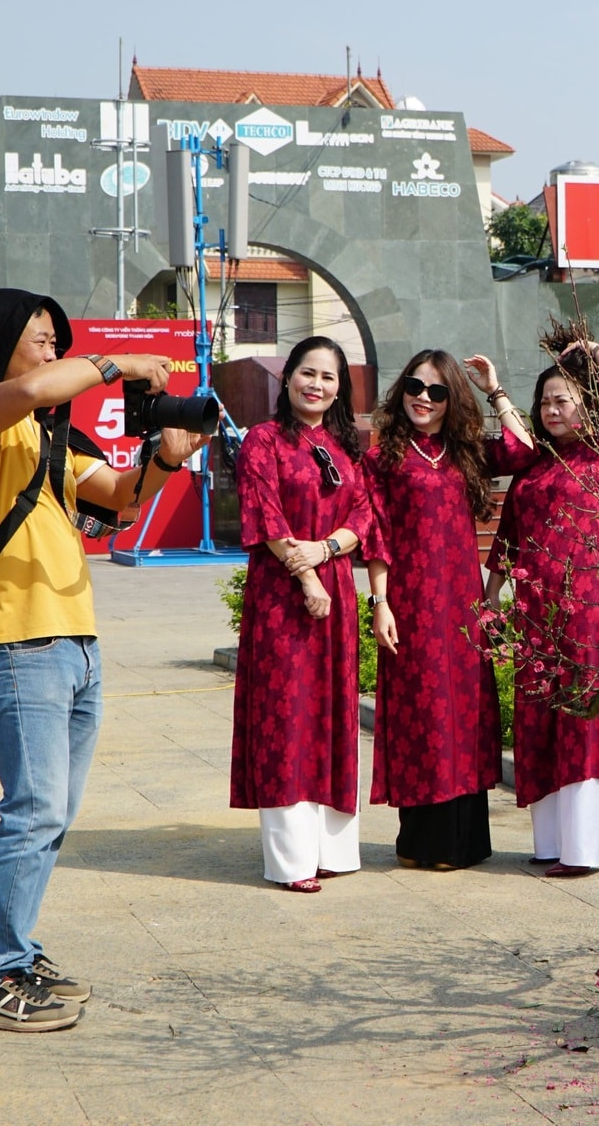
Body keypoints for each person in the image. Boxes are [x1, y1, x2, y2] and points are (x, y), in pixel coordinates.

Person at [0, 289, 206, 1032]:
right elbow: (28, 389)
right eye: (40, 337)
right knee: (29, 813)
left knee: (52, 817)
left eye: (58, 341)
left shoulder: (49, 438)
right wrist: (117, 361)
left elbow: (121, 502)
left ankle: (16, 949)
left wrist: (164, 459)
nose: (51, 352)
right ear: (0, 342)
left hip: (77, 644)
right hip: (20, 642)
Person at [364, 349, 536, 871]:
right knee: (422, 714)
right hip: (412, 605)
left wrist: (495, 390)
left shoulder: (466, 453)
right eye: (416, 387)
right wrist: (381, 603)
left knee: (463, 714)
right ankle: (421, 842)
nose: (423, 398)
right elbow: (376, 537)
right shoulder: (382, 458)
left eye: (437, 392)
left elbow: (524, 451)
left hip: (463, 607)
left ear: (450, 401)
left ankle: (463, 842)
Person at [485, 336, 599, 877]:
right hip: (535, 615)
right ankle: (551, 843)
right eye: (546, 401)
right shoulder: (533, 465)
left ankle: (585, 850)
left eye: (563, 400)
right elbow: (510, 531)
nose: (552, 410)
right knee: (540, 720)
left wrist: (594, 348)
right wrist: (493, 592)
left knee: (584, 724)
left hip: (589, 613)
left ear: (587, 408)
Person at [231, 336, 379, 892]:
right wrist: (306, 572)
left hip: (334, 589)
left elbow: (364, 513)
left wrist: (327, 551)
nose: (317, 385)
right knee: (287, 717)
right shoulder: (263, 441)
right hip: (281, 596)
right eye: (307, 373)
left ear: (340, 389)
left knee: (332, 714)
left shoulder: (346, 447)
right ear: (287, 376)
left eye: (329, 377)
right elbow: (264, 511)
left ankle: (333, 851)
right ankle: (291, 860)